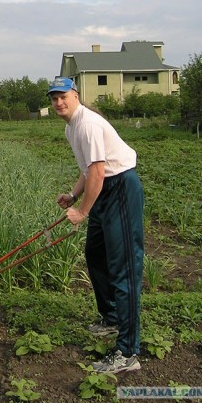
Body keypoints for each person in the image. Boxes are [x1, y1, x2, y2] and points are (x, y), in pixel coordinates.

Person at [47, 77, 144, 374]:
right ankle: (111, 317)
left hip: (120, 189)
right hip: (103, 187)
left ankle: (128, 353)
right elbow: (88, 170)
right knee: (95, 254)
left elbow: (99, 173)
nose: (59, 102)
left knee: (123, 269)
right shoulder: (70, 127)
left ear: (75, 96)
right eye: (54, 98)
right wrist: (73, 195)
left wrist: (82, 211)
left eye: (63, 96)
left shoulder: (87, 124)